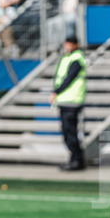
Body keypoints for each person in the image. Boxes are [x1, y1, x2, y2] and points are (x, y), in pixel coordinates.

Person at [49, 35, 87, 171]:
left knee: (70, 132)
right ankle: (74, 159)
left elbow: (69, 78)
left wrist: (56, 91)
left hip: (72, 100)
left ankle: (77, 160)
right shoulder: (68, 57)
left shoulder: (76, 58)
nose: (66, 46)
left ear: (74, 44)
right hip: (66, 100)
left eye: (68, 43)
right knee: (68, 131)